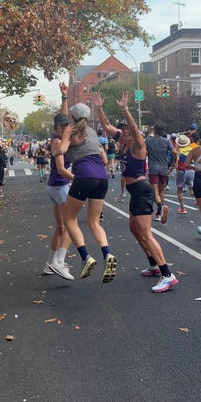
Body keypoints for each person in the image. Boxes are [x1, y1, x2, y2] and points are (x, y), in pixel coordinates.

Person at [97, 91, 178, 292]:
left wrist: (125, 109)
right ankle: (153, 264)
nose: (125, 131)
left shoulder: (138, 146)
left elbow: (134, 130)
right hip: (135, 192)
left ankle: (167, 274)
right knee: (134, 230)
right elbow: (107, 127)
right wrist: (98, 107)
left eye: (128, 129)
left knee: (146, 233)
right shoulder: (123, 142)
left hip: (142, 191)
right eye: (122, 129)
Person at [53, 87, 117, 282]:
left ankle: (85, 257)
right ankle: (107, 254)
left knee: (69, 218)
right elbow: (104, 159)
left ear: (72, 117)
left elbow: (62, 149)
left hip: (84, 175)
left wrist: (55, 152)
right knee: (94, 222)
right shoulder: (91, 131)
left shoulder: (70, 130)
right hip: (102, 177)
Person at [40, 112, 76, 281]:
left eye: (66, 126)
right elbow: (61, 169)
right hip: (60, 185)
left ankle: (49, 263)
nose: (65, 128)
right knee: (70, 226)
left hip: (54, 186)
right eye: (62, 126)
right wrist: (79, 179)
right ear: (56, 128)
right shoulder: (58, 142)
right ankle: (59, 263)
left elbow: (64, 112)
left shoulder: (58, 138)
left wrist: (63, 97)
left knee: (61, 227)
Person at [144, 124, 173, 224]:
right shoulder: (166, 141)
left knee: (154, 192)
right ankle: (159, 212)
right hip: (163, 168)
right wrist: (173, 162)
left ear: (155, 130)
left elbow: (144, 152)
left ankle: (160, 207)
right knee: (161, 191)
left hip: (153, 168)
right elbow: (174, 151)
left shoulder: (148, 140)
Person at [173, 132, 198, 214]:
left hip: (182, 170)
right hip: (191, 170)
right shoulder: (191, 149)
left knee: (179, 190)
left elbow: (176, 161)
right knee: (191, 188)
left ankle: (182, 208)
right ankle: (199, 201)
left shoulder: (178, 150)